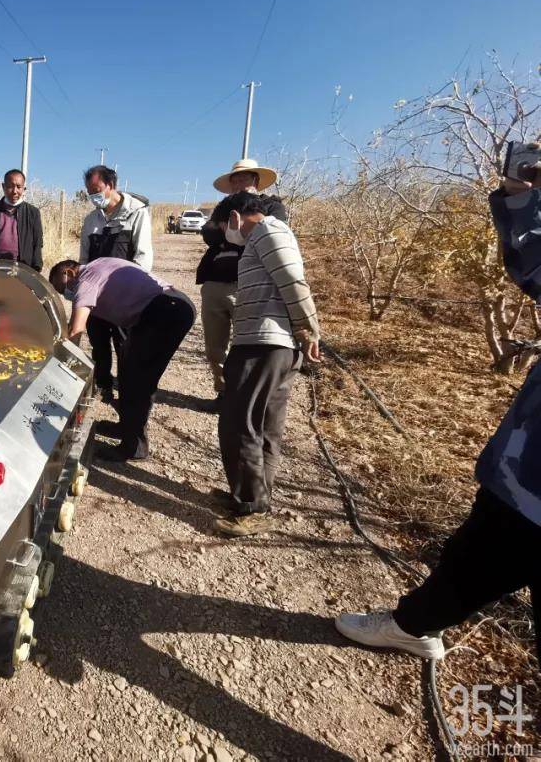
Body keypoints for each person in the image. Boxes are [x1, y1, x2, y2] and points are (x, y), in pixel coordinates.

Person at [336, 165, 541, 664]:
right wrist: (522, 198)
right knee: (480, 553)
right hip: (526, 481)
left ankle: (412, 626)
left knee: (484, 552)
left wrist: (523, 198)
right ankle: (413, 625)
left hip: (530, 486)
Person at [213, 193, 320, 537]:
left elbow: (293, 282)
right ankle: (253, 497)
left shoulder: (268, 232)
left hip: (263, 344)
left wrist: (310, 329)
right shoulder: (267, 237)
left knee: (239, 424)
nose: (227, 235)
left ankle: (252, 507)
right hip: (273, 344)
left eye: (223, 227)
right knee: (265, 424)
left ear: (234, 217)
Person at [49, 257, 194, 463]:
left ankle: (133, 447)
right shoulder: (99, 265)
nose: (65, 294)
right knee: (128, 373)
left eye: (62, 288)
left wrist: (60, 362)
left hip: (166, 311)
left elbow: (76, 328)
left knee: (138, 379)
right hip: (163, 308)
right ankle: (126, 428)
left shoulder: (86, 279)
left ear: (70, 273)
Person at [197, 158, 288, 409]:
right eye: (235, 179)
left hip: (248, 285)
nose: (239, 183)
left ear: (255, 181)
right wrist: (228, 229)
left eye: (245, 178)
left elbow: (274, 231)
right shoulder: (222, 206)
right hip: (215, 282)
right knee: (215, 347)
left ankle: (245, 399)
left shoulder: (273, 206)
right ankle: (224, 393)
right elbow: (209, 233)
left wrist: (230, 229)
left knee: (248, 345)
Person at [79, 165, 154, 404]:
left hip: (124, 298)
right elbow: (84, 259)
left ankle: (127, 392)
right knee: (98, 344)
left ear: (111, 186)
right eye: (89, 192)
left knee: (125, 346)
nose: (94, 196)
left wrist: (132, 294)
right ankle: (103, 385)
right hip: (97, 297)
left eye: (97, 190)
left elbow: (143, 257)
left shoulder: (136, 213)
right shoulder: (91, 220)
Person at [0, 168, 43, 271]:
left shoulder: (33, 212)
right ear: (3, 187)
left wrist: (36, 269)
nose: (14, 191)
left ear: (24, 189)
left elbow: (37, 242)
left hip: (23, 268)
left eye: (19, 187)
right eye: (10, 186)